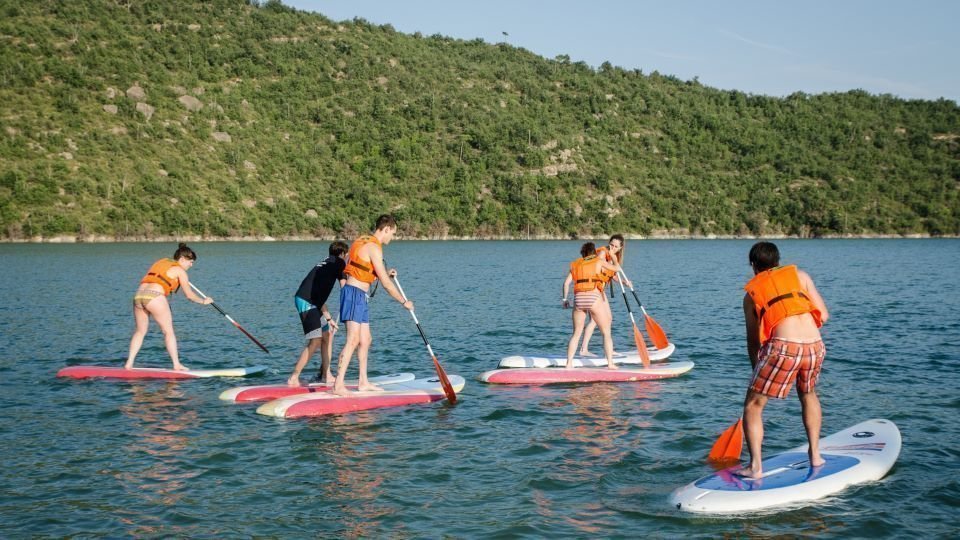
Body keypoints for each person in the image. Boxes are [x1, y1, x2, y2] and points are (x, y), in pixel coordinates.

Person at [735, 241, 830, 479]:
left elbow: (753, 340)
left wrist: (756, 370)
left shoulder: (751, 295)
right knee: (808, 394)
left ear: (753, 265)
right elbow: (824, 315)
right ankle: (816, 455)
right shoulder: (801, 276)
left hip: (784, 347)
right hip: (815, 346)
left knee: (753, 405)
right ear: (779, 261)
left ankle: (755, 467)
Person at [331, 214, 414, 395]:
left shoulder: (364, 240)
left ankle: (363, 382)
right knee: (352, 339)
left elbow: (367, 267)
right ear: (386, 229)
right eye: (393, 233)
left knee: (366, 339)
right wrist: (403, 302)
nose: (393, 237)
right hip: (353, 294)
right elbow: (385, 284)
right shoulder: (374, 248)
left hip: (361, 296)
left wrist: (385, 271)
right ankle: (338, 385)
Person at [125, 243, 213, 370]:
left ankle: (129, 363)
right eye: (191, 262)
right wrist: (204, 301)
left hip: (138, 296)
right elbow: (189, 295)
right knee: (168, 332)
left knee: (140, 331)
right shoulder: (180, 271)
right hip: (154, 296)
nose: (191, 265)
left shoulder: (162, 261)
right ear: (182, 259)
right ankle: (176, 364)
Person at [287, 240, 349, 387]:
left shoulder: (327, 263)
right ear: (342, 254)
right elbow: (344, 287)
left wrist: (328, 318)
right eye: (346, 255)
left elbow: (318, 295)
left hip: (313, 302)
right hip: (306, 302)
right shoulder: (339, 262)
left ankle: (326, 375)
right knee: (315, 340)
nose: (346, 259)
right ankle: (294, 377)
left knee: (327, 335)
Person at [562, 242, 622, 369]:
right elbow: (617, 269)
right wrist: (614, 258)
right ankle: (610, 363)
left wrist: (565, 299)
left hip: (578, 299)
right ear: (594, 252)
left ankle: (569, 363)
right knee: (606, 332)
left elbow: (566, 283)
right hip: (593, 297)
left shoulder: (575, 264)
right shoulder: (598, 261)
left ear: (582, 253)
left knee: (576, 333)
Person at [579, 234, 630, 357]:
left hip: (600, 290)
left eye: (615, 246)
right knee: (595, 320)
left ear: (620, 248)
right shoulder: (603, 252)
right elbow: (601, 266)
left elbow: (611, 274)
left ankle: (608, 348)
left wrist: (623, 282)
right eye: (611, 244)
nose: (612, 247)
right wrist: (612, 259)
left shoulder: (614, 256)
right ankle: (583, 350)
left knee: (608, 319)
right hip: (594, 289)